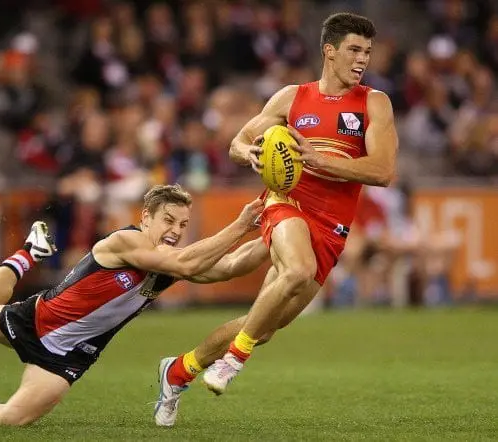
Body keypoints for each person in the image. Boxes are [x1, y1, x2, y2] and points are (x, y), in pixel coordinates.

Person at [154, 12, 398, 427]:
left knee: (262, 325)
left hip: (332, 227)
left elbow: (383, 171)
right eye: (354, 50)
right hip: (286, 203)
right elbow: (239, 140)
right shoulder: (292, 98)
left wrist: (321, 159)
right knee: (297, 269)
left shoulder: (374, 102)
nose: (362, 60)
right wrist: (248, 153)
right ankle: (233, 361)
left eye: (368, 52)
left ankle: (178, 371)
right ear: (330, 51)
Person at [0, 183, 265, 426]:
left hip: (70, 356)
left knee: (12, 420)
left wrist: (274, 232)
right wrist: (240, 224)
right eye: (168, 220)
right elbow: (188, 265)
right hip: (37, 320)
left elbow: (231, 266)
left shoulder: (168, 262)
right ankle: (28, 254)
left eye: (182, 224)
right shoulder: (126, 240)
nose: (175, 230)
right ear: (146, 217)